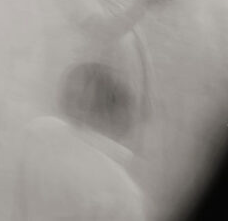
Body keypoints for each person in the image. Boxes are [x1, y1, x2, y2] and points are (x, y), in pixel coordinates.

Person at [13, 63, 145, 221]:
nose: (136, 113)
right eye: (130, 104)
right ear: (118, 112)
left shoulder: (38, 133)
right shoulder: (123, 194)